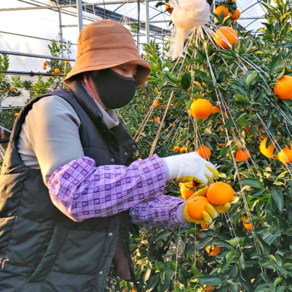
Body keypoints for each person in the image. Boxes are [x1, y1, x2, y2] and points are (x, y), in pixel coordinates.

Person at [0, 20, 227, 292]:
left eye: (133, 72)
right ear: (95, 70)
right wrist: (166, 168)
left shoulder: (106, 124)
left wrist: (181, 211)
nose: (129, 79)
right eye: (122, 69)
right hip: (32, 277)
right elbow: (78, 195)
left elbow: (117, 200)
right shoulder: (53, 111)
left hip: (78, 275)